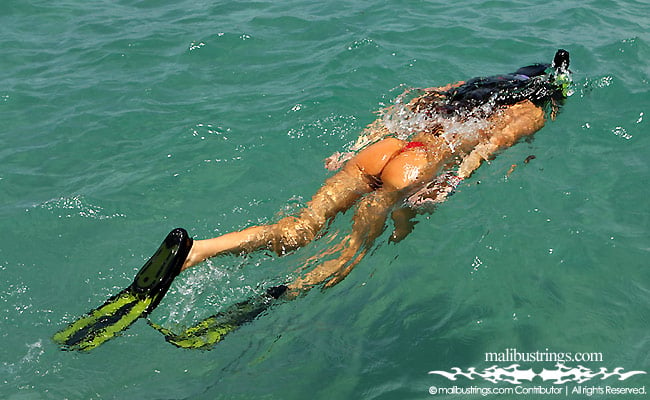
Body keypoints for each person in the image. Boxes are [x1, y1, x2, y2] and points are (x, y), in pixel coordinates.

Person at [54, 49, 572, 351]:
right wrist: (449, 184)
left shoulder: (476, 83)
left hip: (388, 148)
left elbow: (413, 102)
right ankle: (285, 292)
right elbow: (484, 149)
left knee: (301, 225)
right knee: (347, 254)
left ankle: (199, 251)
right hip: (422, 163)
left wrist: (356, 146)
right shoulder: (534, 109)